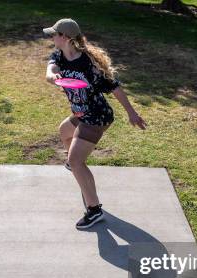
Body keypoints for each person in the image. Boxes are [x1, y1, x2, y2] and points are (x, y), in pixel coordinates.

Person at [43, 18, 147, 229]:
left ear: (65, 37)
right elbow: (49, 71)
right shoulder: (59, 56)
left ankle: (94, 210)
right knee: (64, 131)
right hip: (81, 113)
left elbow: (115, 88)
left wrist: (132, 113)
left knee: (76, 159)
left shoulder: (88, 64)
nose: (51, 37)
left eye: (54, 34)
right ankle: (76, 166)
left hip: (97, 115)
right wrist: (53, 76)